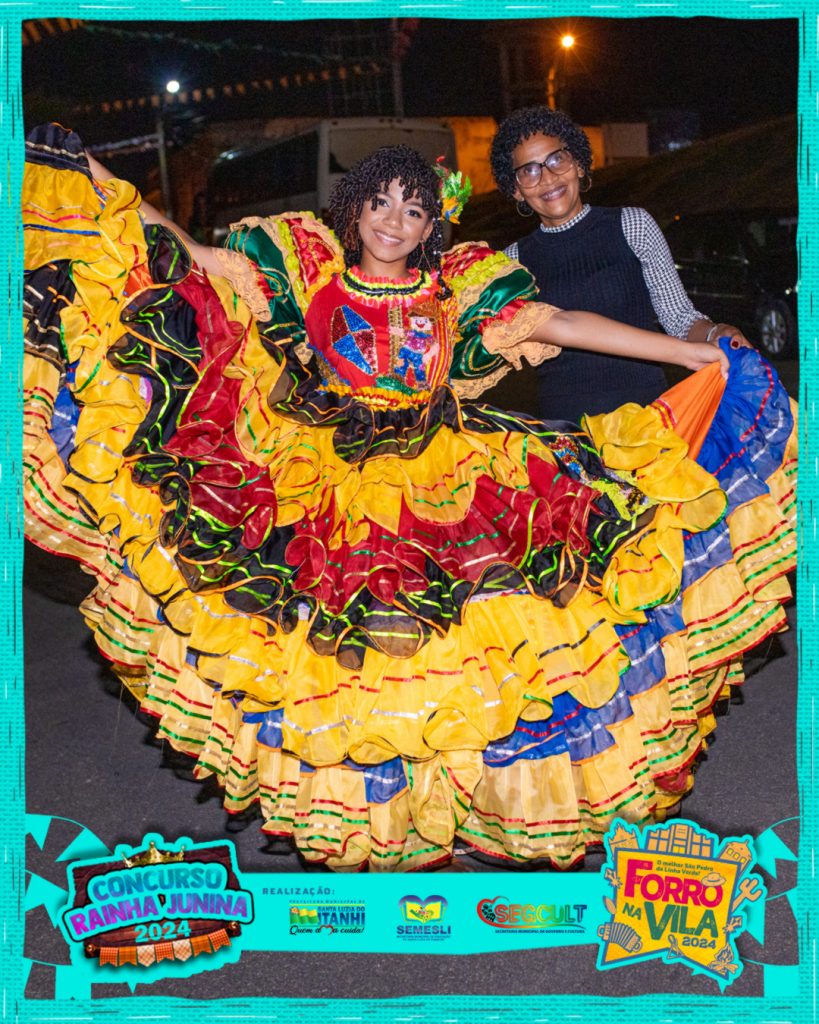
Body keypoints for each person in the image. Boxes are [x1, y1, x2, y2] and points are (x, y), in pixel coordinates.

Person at [23, 123, 796, 872]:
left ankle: (464, 809)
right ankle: (386, 822)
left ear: (431, 225)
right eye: (381, 202)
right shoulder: (303, 269)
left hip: (451, 477)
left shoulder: (456, 289)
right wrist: (91, 173)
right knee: (355, 669)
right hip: (330, 483)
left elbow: (559, 322)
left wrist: (688, 353)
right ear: (355, 208)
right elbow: (184, 253)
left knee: (476, 661)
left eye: (415, 208)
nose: (395, 220)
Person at [490, 106, 751, 423]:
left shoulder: (633, 226)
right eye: (529, 171)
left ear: (579, 164)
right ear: (516, 190)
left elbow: (679, 318)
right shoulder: (511, 263)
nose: (547, 178)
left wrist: (715, 333)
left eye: (556, 159)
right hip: (566, 435)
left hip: (646, 425)